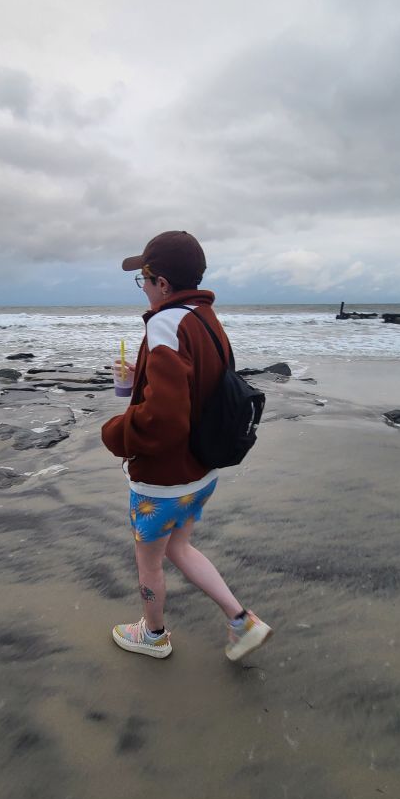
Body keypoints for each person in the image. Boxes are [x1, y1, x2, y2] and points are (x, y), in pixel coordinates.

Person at [101, 230, 273, 661]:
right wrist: (137, 378)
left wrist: (115, 432)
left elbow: (164, 419)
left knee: (150, 562)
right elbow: (195, 388)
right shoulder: (204, 317)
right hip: (200, 472)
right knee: (179, 548)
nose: (141, 289)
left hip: (162, 480)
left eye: (143, 279)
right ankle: (241, 621)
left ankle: (153, 635)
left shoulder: (165, 322)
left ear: (160, 281)